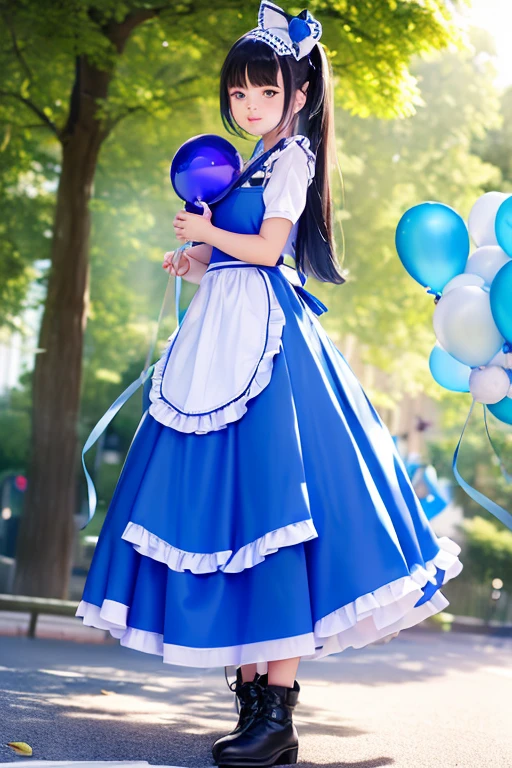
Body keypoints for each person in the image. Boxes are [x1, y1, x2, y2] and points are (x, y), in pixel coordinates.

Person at [76, 2, 463, 766]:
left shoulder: (292, 161)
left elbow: (267, 246)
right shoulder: (244, 162)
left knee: (276, 505)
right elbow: (229, 254)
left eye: (264, 94)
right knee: (232, 517)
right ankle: (255, 706)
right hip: (219, 333)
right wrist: (193, 259)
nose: (248, 106)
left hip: (268, 342)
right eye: (239, 95)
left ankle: (276, 715)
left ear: (298, 96)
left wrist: (210, 236)